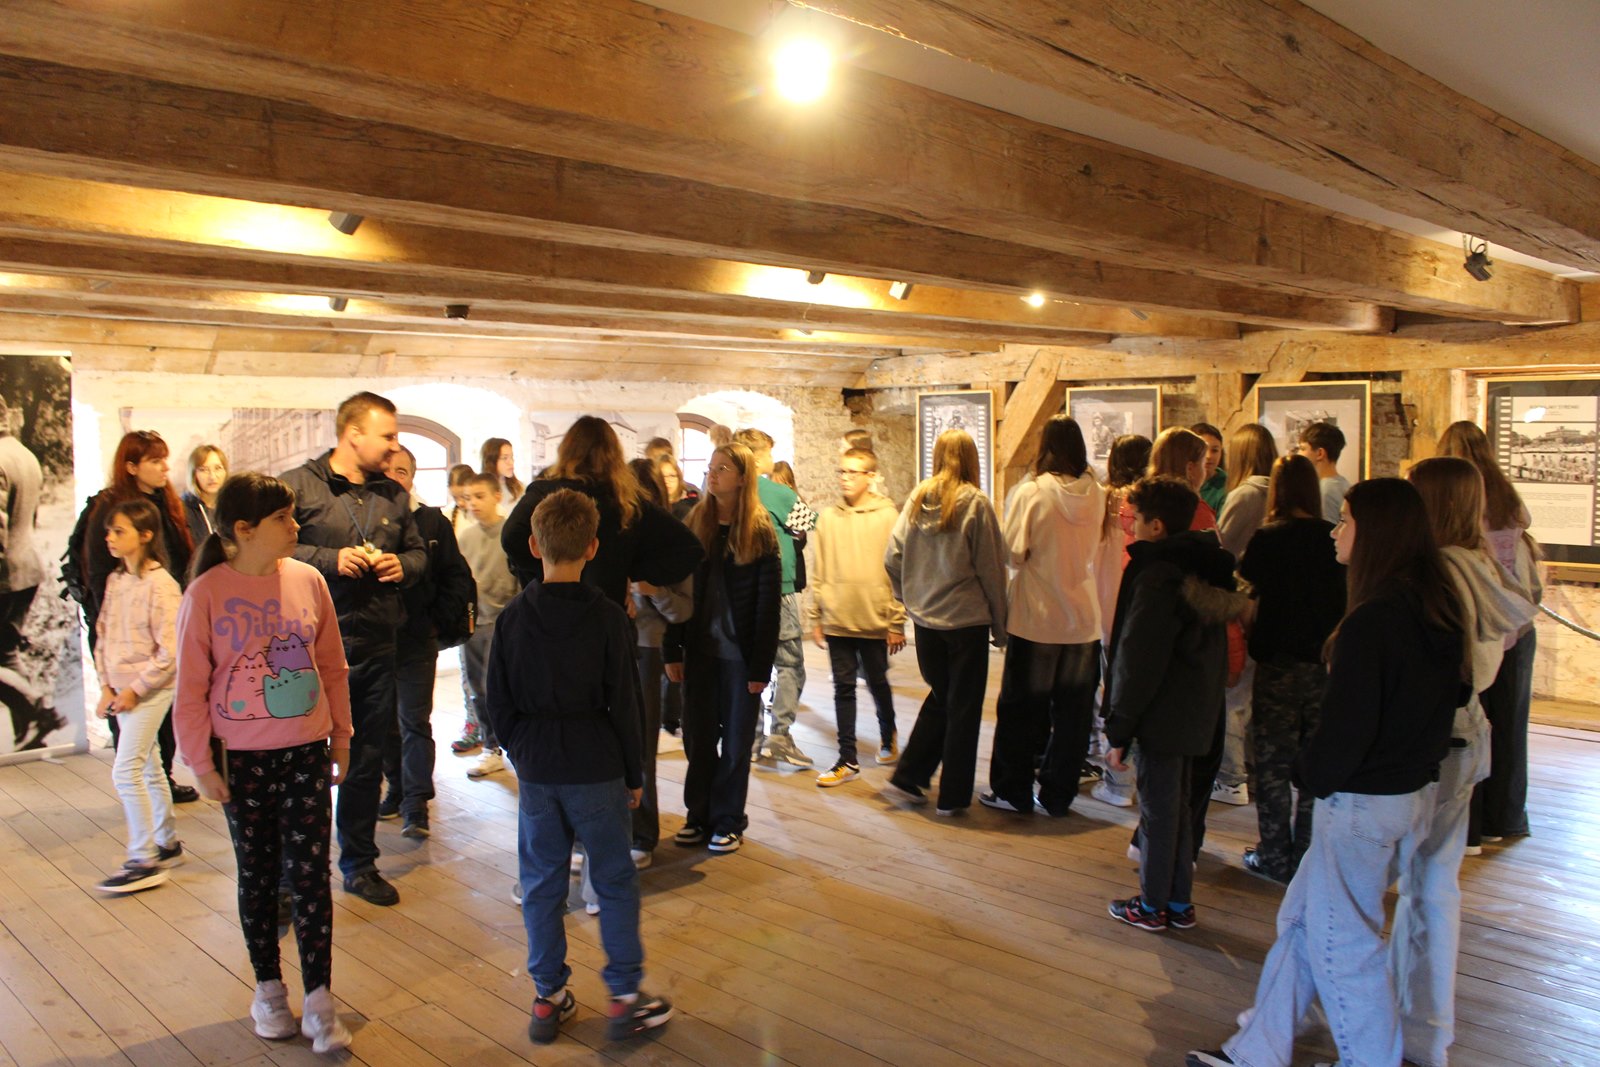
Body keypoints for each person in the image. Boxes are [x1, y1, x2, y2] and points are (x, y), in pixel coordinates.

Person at [1186, 478, 1467, 1067]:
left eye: (1346, 521)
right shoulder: (1433, 608)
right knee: (1302, 920)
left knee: (1344, 947)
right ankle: (1256, 1050)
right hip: (1403, 794)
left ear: (1377, 534)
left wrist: (1308, 774)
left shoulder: (1376, 619)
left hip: (1362, 801)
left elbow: (1349, 726)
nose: (1335, 532)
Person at [173, 472, 353, 1053]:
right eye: (282, 518)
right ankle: (269, 989)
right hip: (243, 760)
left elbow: (332, 667)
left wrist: (342, 738)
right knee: (257, 874)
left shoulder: (309, 580)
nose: (295, 526)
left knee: (311, 875)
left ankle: (320, 998)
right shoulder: (205, 594)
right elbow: (190, 687)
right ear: (244, 529)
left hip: (305, 750)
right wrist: (200, 763)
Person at [485, 488, 672, 1045]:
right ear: (593, 547)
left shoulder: (512, 619)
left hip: (539, 769)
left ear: (533, 544)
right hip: (597, 766)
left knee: (542, 883)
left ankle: (548, 997)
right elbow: (626, 704)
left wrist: (523, 749)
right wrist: (634, 775)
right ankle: (624, 997)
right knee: (612, 880)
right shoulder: (609, 617)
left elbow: (498, 702)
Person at [1394, 456, 1533, 1067]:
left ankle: (1399, 1025)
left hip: (1432, 736)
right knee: (1434, 888)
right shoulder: (1483, 567)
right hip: (1467, 730)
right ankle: (1426, 1030)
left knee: (1395, 887)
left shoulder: (1440, 574)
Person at [280, 392, 426, 908]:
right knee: (300, 765)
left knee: (365, 762)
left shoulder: (393, 495)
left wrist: (402, 566)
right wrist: (330, 558)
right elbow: (276, 550)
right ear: (353, 434)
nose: (395, 446)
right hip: (308, 653)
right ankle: (291, 876)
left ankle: (359, 865)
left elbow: (418, 554)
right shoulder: (298, 487)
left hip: (375, 649)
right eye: (388, 436)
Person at [1103, 476, 1244, 932]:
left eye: (1137, 518)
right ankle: (1179, 902)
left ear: (1157, 525)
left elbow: (1138, 659)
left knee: (1159, 813)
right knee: (1178, 809)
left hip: (1162, 713)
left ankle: (1153, 905)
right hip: (1196, 710)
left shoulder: (1157, 576)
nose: (1132, 526)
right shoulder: (1205, 568)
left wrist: (1120, 728)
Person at [981, 416, 1104, 817]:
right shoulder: (1097, 492)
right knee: (1073, 715)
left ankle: (1012, 791)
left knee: (1022, 709)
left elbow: (1013, 553)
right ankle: (1058, 795)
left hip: (1038, 614)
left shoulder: (1032, 492)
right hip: (1083, 616)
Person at [65, 430, 196, 801]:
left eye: (164, 459)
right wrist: (105, 627)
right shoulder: (110, 508)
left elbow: (182, 561)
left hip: (164, 618)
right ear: (132, 466)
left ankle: (159, 782)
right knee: (130, 711)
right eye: (155, 460)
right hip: (122, 626)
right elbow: (97, 573)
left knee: (163, 703)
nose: (164, 467)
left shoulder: (167, 505)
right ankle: (142, 786)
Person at [663, 442, 781, 854]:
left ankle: (729, 819)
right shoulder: (695, 522)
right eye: (711, 467)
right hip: (700, 651)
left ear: (743, 478)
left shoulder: (760, 531)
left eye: (723, 468)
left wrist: (760, 667)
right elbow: (678, 591)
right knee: (697, 739)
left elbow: (768, 605)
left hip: (740, 657)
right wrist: (672, 649)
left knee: (735, 743)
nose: (712, 474)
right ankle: (698, 815)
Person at [884, 429, 1007, 816]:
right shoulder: (976, 503)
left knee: (943, 696)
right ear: (972, 459)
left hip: (926, 622)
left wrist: (909, 597)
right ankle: (953, 796)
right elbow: (991, 569)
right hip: (966, 621)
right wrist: (1001, 624)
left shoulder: (917, 499)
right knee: (963, 708)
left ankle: (910, 774)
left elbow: (892, 557)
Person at [1235, 454, 1345, 882]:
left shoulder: (1268, 538)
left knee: (1272, 765)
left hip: (1278, 664)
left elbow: (1247, 599)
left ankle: (1274, 854)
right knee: (1316, 762)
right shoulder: (1332, 536)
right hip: (1322, 666)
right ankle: (1307, 854)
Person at [1437, 420, 1541, 851]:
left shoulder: (1458, 498)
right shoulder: (1506, 495)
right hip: (1515, 621)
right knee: (1510, 726)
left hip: (1477, 622)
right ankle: (1506, 817)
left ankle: (1471, 828)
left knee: (1471, 724)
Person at [501, 416, 703, 611]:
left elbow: (511, 537)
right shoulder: (625, 502)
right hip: (607, 611)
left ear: (567, 450)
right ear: (614, 455)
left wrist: (544, 572)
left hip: (552, 606)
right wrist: (631, 572)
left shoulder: (546, 492)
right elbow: (689, 549)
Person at [380, 447, 475, 839]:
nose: (393, 476)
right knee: (383, 722)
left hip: (416, 638)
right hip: (375, 640)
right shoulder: (364, 521)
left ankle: (416, 802)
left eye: (401, 471)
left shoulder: (432, 521)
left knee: (414, 720)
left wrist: (435, 621)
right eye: (387, 469)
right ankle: (397, 787)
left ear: (412, 476)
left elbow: (456, 576)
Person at [91, 498, 183, 894]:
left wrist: (134, 690)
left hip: (152, 689)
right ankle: (166, 841)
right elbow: (103, 634)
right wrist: (106, 686)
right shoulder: (117, 580)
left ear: (145, 535)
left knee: (125, 769)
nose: (110, 538)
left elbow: (171, 652)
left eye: (119, 531)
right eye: (109, 532)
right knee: (148, 765)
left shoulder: (162, 586)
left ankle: (143, 859)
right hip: (123, 691)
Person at [808, 447, 905, 788]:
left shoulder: (887, 516)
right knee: (843, 688)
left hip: (873, 616)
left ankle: (887, 732)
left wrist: (896, 621)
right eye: (842, 471)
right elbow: (820, 567)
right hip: (838, 616)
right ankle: (846, 758)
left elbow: (898, 570)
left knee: (877, 680)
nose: (845, 478)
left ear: (870, 476)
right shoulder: (828, 518)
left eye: (853, 472)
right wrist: (816, 615)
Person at [731, 428, 817, 768]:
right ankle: (780, 735)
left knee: (750, 666)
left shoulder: (732, 492)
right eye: (768, 452)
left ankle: (752, 739)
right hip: (779, 589)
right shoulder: (775, 492)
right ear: (755, 457)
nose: (772, 458)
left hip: (741, 591)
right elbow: (808, 521)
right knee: (790, 663)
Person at [625, 458, 692, 862]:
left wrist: (649, 590)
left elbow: (683, 608)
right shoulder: (612, 535)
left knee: (641, 744)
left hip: (647, 648)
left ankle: (642, 834)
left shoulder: (670, 540)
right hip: (609, 645)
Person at [1213, 423, 1278, 809]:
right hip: (1271, 606)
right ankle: (1248, 768)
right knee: (1252, 695)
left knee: (1233, 695)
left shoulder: (1246, 494)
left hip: (1242, 602)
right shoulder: (1279, 491)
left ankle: (1231, 777)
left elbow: (1223, 549)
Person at [1089, 433, 1151, 808]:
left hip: (1104, 604)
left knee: (1108, 694)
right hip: (1137, 606)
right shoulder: (1147, 502)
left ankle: (1117, 780)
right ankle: (1132, 776)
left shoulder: (1103, 498)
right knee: (1131, 692)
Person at [0, 397, 59, 751]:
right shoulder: (23, 454)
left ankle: (37, 710)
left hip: (5, 575)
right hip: (26, 568)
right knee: (5, 651)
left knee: (4, 651)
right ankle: (30, 724)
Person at [455, 472, 519, 779]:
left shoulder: (510, 533)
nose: (473, 504)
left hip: (503, 622)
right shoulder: (465, 537)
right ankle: (490, 746)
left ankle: (515, 745)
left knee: (504, 687)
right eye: (468, 498)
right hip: (474, 623)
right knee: (477, 688)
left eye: (479, 496)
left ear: (496, 496)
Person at [1148, 428, 1217, 529]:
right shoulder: (1195, 511)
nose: (1205, 471)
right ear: (1190, 469)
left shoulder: (1138, 502)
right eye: (1203, 464)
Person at [1295, 421, 1349, 524]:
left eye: (1302, 448)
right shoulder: (1343, 484)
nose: (1298, 453)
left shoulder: (1324, 491)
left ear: (1320, 453)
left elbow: (1324, 531)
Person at [182, 444, 227, 548]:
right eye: (204, 470)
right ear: (194, 474)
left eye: (218, 468)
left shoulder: (233, 505)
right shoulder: (182, 510)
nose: (212, 476)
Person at [1192, 422, 1227, 516]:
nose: (1208, 456)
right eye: (1203, 450)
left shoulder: (1226, 486)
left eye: (1214, 450)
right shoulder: (1179, 483)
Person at [481, 437, 524, 508]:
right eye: (505, 458)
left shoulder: (520, 487)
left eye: (512, 457)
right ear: (492, 461)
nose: (511, 462)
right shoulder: (481, 489)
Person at [446, 463, 476, 535]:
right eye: (455, 497)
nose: (460, 503)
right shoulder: (447, 515)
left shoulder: (494, 511)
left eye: (464, 497)